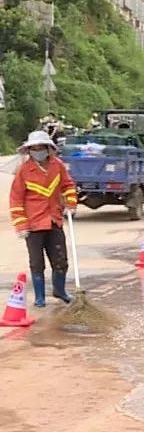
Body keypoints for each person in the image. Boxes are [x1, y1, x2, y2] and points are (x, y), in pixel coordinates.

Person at [8, 131, 78, 307]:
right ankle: (40, 297)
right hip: (33, 224)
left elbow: (68, 184)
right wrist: (21, 224)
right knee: (37, 263)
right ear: (29, 151)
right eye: (34, 149)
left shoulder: (58, 166)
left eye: (41, 148)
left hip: (54, 220)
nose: (37, 151)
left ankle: (60, 290)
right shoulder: (24, 171)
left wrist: (71, 201)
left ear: (49, 149)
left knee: (60, 260)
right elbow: (15, 199)